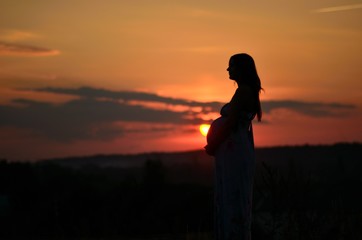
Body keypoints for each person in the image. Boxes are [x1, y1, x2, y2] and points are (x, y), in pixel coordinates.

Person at [205, 53, 262, 240]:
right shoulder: (245, 91)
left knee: (232, 198)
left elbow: (230, 124)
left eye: (232, 65)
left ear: (242, 69)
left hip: (234, 153)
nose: (228, 69)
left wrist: (213, 144)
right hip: (233, 152)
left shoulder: (243, 92)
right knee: (231, 196)